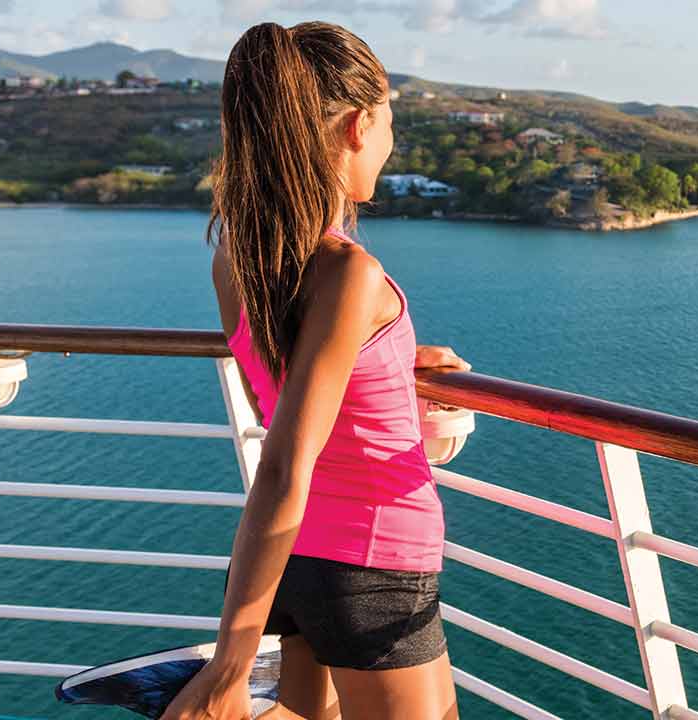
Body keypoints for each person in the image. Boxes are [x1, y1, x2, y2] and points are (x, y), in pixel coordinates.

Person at [173, 20, 467, 720]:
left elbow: (279, 388)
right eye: (391, 120)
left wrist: (396, 362)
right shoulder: (348, 272)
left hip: (301, 563)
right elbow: (282, 463)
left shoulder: (237, 259)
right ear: (361, 124)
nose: (391, 142)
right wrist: (227, 667)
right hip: (373, 564)